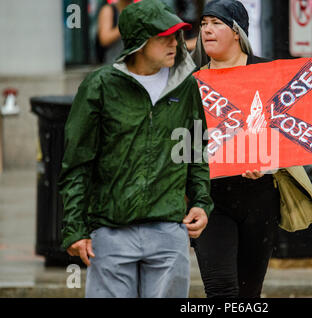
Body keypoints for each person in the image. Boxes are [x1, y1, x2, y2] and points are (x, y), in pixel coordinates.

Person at [59, 0, 213, 298]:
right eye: (164, 36)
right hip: (111, 232)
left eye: (177, 35)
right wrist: (74, 229)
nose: (174, 43)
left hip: (169, 230)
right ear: (140, 43)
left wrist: (201, 202)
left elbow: (195, 149)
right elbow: (77, 163)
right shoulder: (100, 86)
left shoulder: (186, 86)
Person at [190, 0, 312, 298]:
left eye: (216, 23)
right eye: (203, 24)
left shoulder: (269, 73)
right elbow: (184, 141)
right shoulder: (192, 82)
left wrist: (270, 163)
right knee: (221, 290)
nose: (206, 30)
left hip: (260, 198)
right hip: (210, 199)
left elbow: (289, 133)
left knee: (249, 293)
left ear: (237, 32)